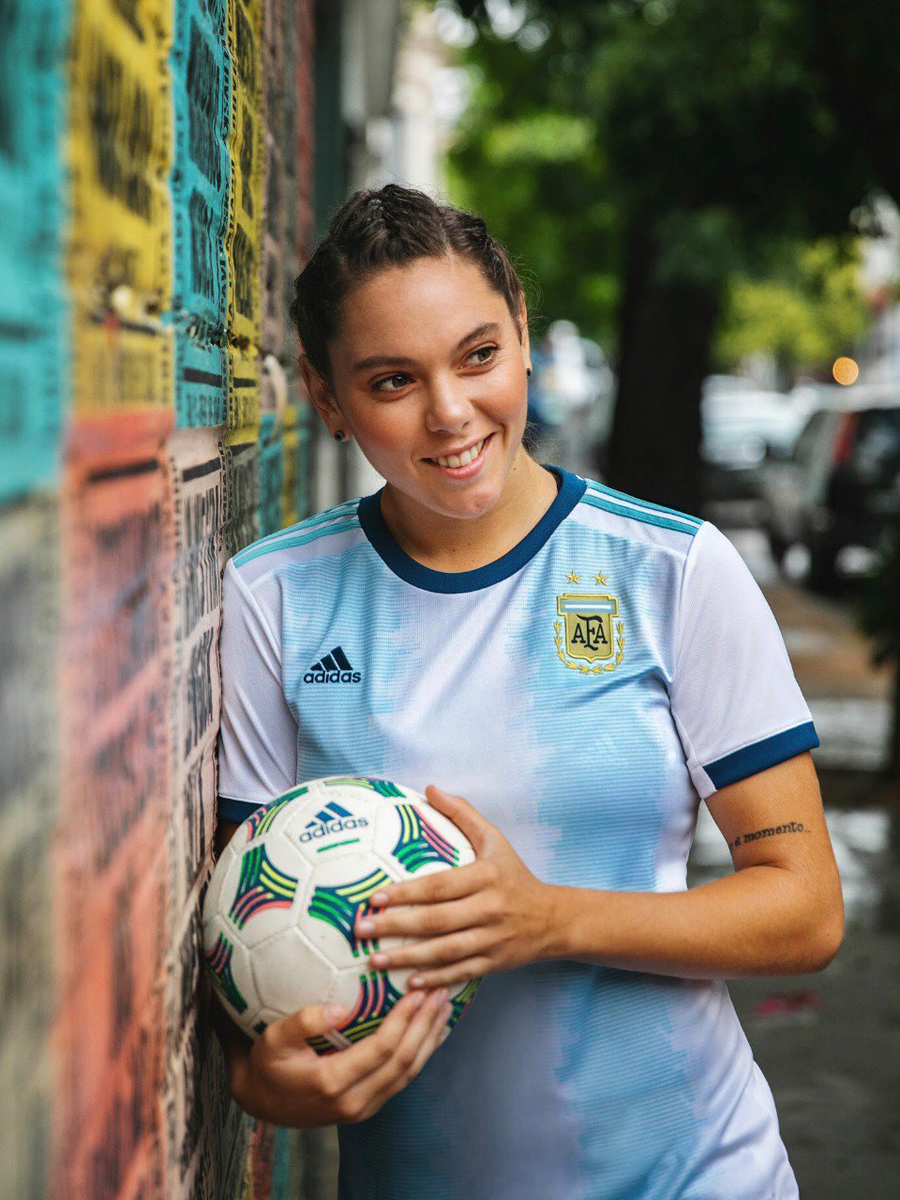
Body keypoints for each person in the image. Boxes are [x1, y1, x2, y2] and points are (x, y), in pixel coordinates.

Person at [213, 183, 843, 1199]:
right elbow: (240, 943)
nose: (452, 411)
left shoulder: (673, 570)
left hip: (698, 1175)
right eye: (390, 380)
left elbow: (806, 910)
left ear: (523, 336)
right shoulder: (274, 598)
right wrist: (266, 1083)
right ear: (327, 399)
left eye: (477, 355)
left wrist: (547, 919)